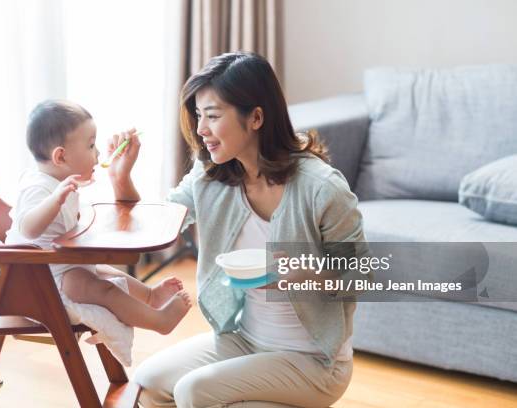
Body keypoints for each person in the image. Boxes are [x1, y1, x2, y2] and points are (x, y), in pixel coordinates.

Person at [111, 52, 371, 407]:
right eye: (199, 115)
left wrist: (308, 275)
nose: (201, 129)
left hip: (313, 360)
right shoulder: (211, 177)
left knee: (194, 390)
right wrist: (121, 179)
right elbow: (153, 227)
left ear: (256, 117)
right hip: (245, 340)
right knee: (149, 382)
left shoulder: (322, 187)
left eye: (213, 116)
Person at [5, 100, 192, 336]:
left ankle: (150, 296)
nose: (98, 153)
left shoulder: (57, 182)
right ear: (61, 157)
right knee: (102, 289)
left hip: (59, 268)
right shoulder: (38, 187)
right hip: (40, 281)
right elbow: (28, 228)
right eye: (91, 145)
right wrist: (55, 200)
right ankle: (158, 321)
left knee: (104, 271)